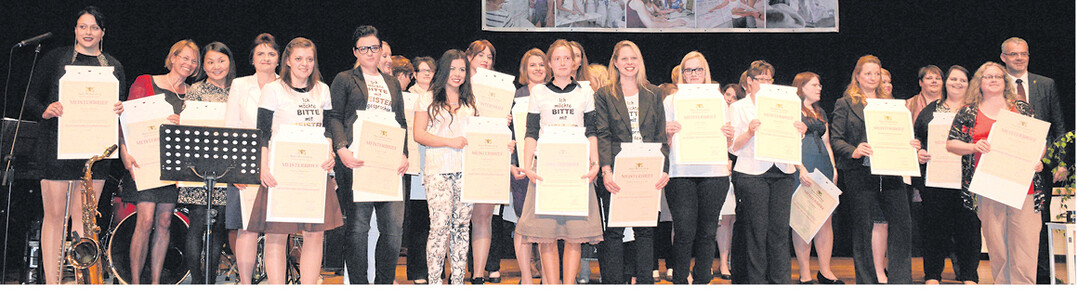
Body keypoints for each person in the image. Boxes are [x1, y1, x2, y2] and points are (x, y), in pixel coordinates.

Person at [27, 6, 125, 284]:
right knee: (55, 217)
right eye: (83, 26)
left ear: (103, 32)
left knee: (85, 220)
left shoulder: (114, 67)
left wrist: (121, 108)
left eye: (94, 27)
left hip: (97, 152)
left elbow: (119, 108)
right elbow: (30, 99)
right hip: (57, 147)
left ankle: (83, 281)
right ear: (75, 30)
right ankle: (53, 282)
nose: (88, 32)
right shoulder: (56, 59)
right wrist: (46, 110)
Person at [246, 37, 344, 285]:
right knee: (276, 235)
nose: (304, 64)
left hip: (314, 171)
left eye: (309, 59)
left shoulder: (323, 90)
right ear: (288, 60)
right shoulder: (273, 89)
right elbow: (262, 133)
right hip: (281, 171)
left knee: (314, 234)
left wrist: (330, 154)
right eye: (299, 58)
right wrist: (263, 167)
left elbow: (327, 130)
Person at [515, 39, 604, 284]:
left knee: (574, 237)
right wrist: (527, 166)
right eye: (557, 58)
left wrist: (595, 163)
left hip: (577, 169)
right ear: (550, 64)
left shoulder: (585, 92)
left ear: (574, 62)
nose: (563, 63)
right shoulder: (538, 92)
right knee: (547, 236)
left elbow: (592, 131)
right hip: (546, 169)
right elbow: (531, 132)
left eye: (567, 58)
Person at [946, 61, 1044, 285]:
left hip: (1024, 187)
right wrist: (973, 146)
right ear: (979, 83)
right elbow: (951, 143)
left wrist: (1037, 160)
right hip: (988, 186)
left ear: (1005, 81)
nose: (993, 80)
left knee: (1026, 244)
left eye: (997, 76)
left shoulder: (1022, 109)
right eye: (987, 76)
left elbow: (1040, 141)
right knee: (997, 245)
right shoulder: (968, 111)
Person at [326, 25, 410, 284]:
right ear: (355, 52)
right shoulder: (344, 79)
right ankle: (359, 284)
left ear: (381, 49)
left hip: (388, 163)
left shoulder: (392, 82)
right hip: (356, 161)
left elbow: (400, 121)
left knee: (393, 230)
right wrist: (341, 149)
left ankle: (383, 283)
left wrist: (404, 153)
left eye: (374, 47)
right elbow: (334, 117)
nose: (370, 53)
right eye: (364, 49)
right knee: (358, 229)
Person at [830, 55, 922, 284]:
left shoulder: (892, 104)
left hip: (891, 171)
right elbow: (836, 139)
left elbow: (903, 135)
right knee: (864, 227)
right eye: (868, 73)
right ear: (857, 76)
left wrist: (911, 144)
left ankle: (901, 280)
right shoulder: (845, 103)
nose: (873, 78)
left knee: (902, 225)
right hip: (859, 173)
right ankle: (867, 281)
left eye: (877, 73)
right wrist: (855, 150)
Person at [592, 40, 669, 284]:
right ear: (615, 62)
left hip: (648, 168)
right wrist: (606, 170)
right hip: (617, 169)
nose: (629, 63)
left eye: (633, 58)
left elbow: (660, 134)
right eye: (624, 58)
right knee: (614, 231)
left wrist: (664, 168)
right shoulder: (604, 94)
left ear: (640, 62)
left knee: (645, 231)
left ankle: (645, 282)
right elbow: (603, 134)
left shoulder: (653, 92)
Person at [122, 39, 197, 284]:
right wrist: (124, 152)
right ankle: (135, 283)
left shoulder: (193, 94)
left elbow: (196, 131)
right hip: (145, 163)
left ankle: (155, 283)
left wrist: (185, 123)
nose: (189, 64)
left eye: (194, 61)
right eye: (184, 57)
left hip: (173, 166)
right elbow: (127, 121)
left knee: (164, 222)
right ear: (172, 58)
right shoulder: (145, 82)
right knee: (144, 221)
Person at [727, 60, 807, 284]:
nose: (765, 83)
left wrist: (800, 131)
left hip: (782, 171)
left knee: (779, 232)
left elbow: (792, 140)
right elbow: (733, 147)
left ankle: (780, 282)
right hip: (752, 174)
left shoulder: (786, 104)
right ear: (749, 82)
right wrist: (749, 132)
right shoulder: (738, 108)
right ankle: (757, 282)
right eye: (760, 79)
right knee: (757, 232)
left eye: (768, 79)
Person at [411, 49, 485, 285]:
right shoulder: (427, 98)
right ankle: (434, 281)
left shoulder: (471, 102)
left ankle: (458, 281)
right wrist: (449, 142)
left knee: (461, 227)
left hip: (466, 171)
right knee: (439, 227)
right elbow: (419, 134)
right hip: (437, 171)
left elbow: (480, 135)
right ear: (444, 70)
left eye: (462, 69)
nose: (458, 74)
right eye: (453, 68)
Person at [999, 37, 1067, 284]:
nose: (1019, 58)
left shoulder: (1046, 84)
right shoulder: (995, 84)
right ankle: (1010, 273)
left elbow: (1058, 125)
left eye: (1024, 53)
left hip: (1039, 165)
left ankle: (1041, 274)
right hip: (1005, 163)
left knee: (1039, 218)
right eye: (1013, 54)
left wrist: (1059, 162)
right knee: (1006, 221)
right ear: (1003, 57)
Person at [661, 51, 733, 284]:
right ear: (682, 73)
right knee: (684, 231)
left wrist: (729, 135)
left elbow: (727, 141)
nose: (693, 74)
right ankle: (680, 280)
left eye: (698, 69)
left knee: (708, 232)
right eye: (688, 70)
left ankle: (702, 280)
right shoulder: (671, 101)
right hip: (681, 173)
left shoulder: (719, 100)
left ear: (705, 72)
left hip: (714, 173)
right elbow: (661, 142)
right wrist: (667, 132)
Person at [913, 65, 980, 285]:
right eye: (953, 79)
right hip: (936, 180)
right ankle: (932, 275)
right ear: (946, 82)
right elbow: (918, 139)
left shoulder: (976, 110)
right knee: (934, 229)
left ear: (969, 84)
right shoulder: (931, 110)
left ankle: (969, 276)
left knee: (968, 228)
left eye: (962, 80)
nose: (957, 83)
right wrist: (919, 152)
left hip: (968, 181)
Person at [223, 33, 279, 285]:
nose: (266, 58)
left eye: (271, 53)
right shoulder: (240, 85)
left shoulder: (286, 85)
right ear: (252, 59)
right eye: (260, 54)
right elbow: (231, 127)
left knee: (277, 229)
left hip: (278, 162)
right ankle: (245, 283)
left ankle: (274, 281)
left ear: (279, 59)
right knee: (247, 227)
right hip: (245, 162)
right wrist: (234, 169)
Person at [178, 41, 235, 284]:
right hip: (197, 168)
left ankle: (210, 281)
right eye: (210, 62)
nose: (216, 66)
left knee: (219, 228)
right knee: (197, 226)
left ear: (230, 62)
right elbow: (188, 127)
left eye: (221, 61)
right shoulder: (196, 90)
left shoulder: (238, 90)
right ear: (203, 65)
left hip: (227, 169)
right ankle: (197, 281)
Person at [789, 72, 842, 284]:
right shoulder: (793, 109)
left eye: (819, 85)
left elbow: (827, 142)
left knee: (824, 219)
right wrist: (799, 167)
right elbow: (789, 141)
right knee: (803, 219)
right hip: (803, 166)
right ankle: (805, 274)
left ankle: (825, 271)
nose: (819, 88)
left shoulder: (820, 111)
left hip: (823, 166)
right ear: (801, 87)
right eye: (814, 85)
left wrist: (834, 168)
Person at [464, 39, 508, 284]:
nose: (485, 60)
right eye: (480, 55)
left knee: (483, 217)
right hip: (461, 156)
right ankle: (456, 270)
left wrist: (504, 121)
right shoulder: (457, 83)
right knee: (458, 219)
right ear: (468, 57)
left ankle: (478, 274)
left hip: (488, 157)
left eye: (489, 56)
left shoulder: (499, 88)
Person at [511, 48, 547, 284]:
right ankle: (526, 278)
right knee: (523, 224)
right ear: (525, 69)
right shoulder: (514, 97)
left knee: (546, 226)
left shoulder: (553, 94)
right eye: (532, 65)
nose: (538, 69)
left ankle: (547, 277)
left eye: (541, 64)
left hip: (549, 168)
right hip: (522, 169)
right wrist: (512, 164)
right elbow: (507, 134)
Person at [404, 55, 436, 284]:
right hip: (415, 167)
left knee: (436, 223)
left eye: (430, 71)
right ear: (414, 74)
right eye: (422, 70)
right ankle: (417, 271)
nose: (426, 74)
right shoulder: (407, 97)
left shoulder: (441, 96)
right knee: (418, 222)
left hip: (436, 165)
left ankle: (435, 270)